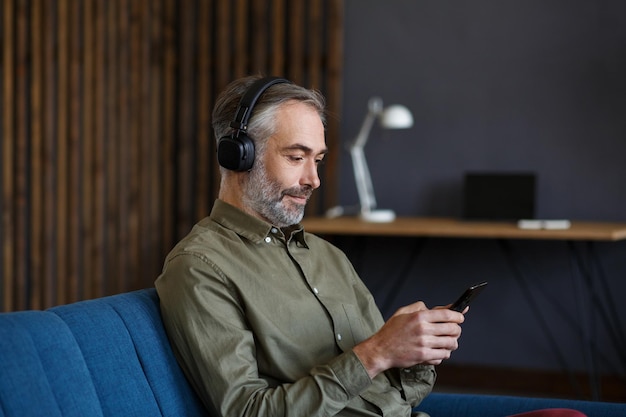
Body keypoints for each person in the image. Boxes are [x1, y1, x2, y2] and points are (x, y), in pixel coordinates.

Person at [155, 75, 586, 417]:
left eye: (318, 159)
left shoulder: (328, 257)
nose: (313, 180)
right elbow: (248, 412)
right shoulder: (199, 268)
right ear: (238, 155)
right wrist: (377, 351)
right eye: (296, 156)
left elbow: (392, 395)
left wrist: (415, 353)